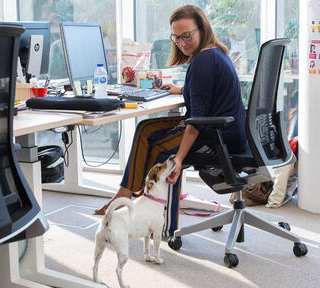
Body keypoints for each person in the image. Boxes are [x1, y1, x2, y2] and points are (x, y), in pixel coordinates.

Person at [93, 5, 247, 237]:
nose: (182, 42)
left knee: (160, 149)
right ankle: (125, 193)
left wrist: (179, 158)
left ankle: (165, 226)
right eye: (177, 37)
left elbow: (195, 121)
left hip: (215, 135)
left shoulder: (203, 61)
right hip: (223, 128)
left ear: (202, 29)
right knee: (145, 128)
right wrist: (181, 90)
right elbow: (205, 92)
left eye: (187, 35)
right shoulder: (214, 52)